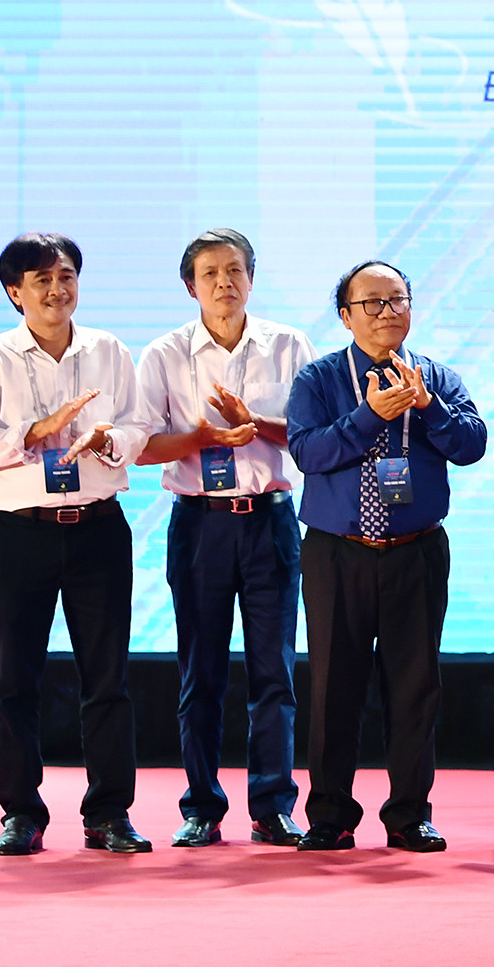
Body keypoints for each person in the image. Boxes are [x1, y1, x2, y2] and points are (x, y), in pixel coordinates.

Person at [0, 233, 150, 856]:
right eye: (41, 280)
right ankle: (21, 813)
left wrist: (109, 442)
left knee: (108, 678)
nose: (57, 289)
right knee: (14, 678)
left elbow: (140, 425)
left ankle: (109, 814)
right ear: (16, 292)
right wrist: (36, 431)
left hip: (98, 529)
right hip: (18, 534)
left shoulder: (109, 350)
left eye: (66, 276)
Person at [285, 260, 487, 852]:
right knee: (333, 686)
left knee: (415, 687)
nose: (386, 313)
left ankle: (408, 815)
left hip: (416, 551)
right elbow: (307, 452)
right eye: (371, 303)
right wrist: (371, 415)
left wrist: (428, 408)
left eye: (397, 300)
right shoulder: (318, 379)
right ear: (345, 316)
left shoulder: (437, 378)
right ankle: (330, 816)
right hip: (337, 552)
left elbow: (472, 445)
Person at [133, 228, 316, 849]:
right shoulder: (164, 354)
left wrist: (253, 424)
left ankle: (272, 806)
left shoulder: (289, 345)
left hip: (270, 519)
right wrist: (203, 439)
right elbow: (141, 446)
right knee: (200, 672)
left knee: (275, 673)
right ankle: (202, 808)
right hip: (199, 523)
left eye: (235, 270)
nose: (224, 282)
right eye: (209, 273)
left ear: (251, 279)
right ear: (191, 287)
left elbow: (313, 438)